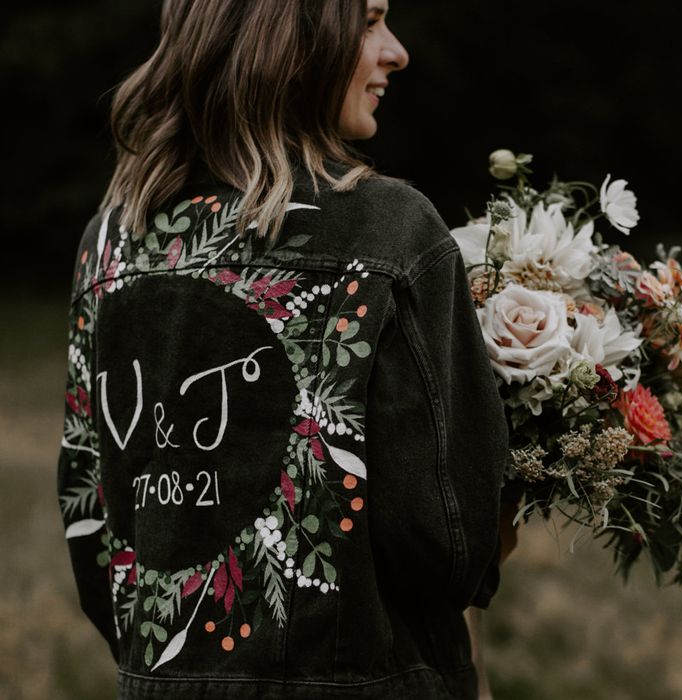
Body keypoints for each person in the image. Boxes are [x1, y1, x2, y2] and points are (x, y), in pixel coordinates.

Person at [57, 1, 519, 697]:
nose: (396, 52)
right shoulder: (388, 230)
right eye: (368, 20)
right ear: (292, 37)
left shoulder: (110, 241)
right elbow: (444, 548)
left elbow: (93, 519)